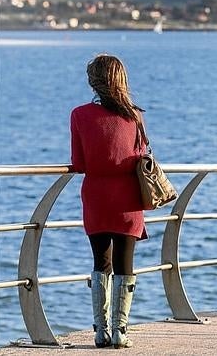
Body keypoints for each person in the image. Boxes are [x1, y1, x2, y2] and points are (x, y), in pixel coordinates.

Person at [70, 54, 147, 349]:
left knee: (100, 261)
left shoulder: (79, 114)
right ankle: (121, 331)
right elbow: (140, 156)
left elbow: (78, 163)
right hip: (129, 198)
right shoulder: (135, 116)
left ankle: (100, 331)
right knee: (125, 263)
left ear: (94, 82)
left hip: (96, 196)